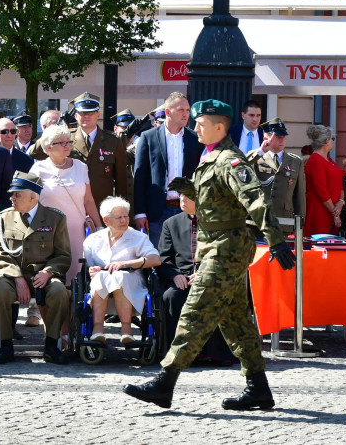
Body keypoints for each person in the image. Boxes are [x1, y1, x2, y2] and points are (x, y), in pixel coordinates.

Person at [125, 99, 295, 412]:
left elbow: (255, 200)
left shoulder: (230, 160)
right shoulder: (211, 156)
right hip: (217, 244)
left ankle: (165, 382)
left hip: (226, 248)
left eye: (201, 123)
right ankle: (258, 387)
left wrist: (275, 241)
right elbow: (220, 196)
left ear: (219, 127)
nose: (195, 127)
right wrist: (189, 188)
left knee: (194, 311)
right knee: (237, 321)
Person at [0, 172, 71, 364]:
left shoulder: (55, 218)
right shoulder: (4, 217)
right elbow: (0, 252)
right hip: (13, 275)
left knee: (60, 291)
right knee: (0, 291)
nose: (12, 198)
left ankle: (51, 345)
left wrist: (48, 272)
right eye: (12, 194)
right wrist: (17, 278)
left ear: (33, 197)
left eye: (17, 194)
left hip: (44, 275)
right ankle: (6, 345)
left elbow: (63, 255)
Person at [157, 191, 234, 365]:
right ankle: (178, 352)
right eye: (181, 197)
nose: (182, 200)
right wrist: (174, 275)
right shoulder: (171, 223)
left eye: (187, 197)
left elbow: (224, 253)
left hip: (210, 276)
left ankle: (215, 354)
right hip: (181, 278)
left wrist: (204, 272)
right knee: (171, 296)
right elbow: (164, 257)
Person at [83, 196, 159, 347]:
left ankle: (126, 329)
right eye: (119, 217)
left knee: (120, 276)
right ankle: (98, 328)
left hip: (132, 282)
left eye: (126, 216)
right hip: (102, 285)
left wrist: (127, 263)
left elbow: (155, 259)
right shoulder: (93, 239)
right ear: (106, 220)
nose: (124, 220)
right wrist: (90, 270)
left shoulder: (138, 237)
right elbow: (87, 267)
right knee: (100, 277)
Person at [29, 123, 99, 282]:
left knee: (77, 279)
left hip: (77, 233)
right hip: (49, 233)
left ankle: (75, 307)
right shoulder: (37, 169)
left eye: (68, 141)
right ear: (48, 147)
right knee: (54, 279)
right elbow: (31, 204)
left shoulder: (81, 167)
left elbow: (88, 200)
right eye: (62, 142)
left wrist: (99, 227)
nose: (67, 145)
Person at [133, 92, 202, 247]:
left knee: (186, 257)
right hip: (158, 210)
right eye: (181, 110)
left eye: (187, 110)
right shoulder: (148, 137)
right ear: (168, 112)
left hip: (187, 209)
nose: (186, 114)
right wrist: (140, 212)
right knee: (158, 259)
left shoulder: (195, 138)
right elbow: (139, 178)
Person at [246, 118, 306, 234]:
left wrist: (299, 223)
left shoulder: (295, 161)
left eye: (284, 136)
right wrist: (261, 151)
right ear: (266, 138)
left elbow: (300, 196)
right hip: (258, 223)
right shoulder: (256, 157)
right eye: (278, 136)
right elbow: (240, 165)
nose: (282, 140)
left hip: (284, 222)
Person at [304, 125, 344, 236]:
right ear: (327, 141)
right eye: (333, 139)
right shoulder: (315, 160)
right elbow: (320, 189)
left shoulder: (329, 160)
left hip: (331, 211)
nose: (333, 142)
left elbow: (339, 184)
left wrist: (341, 202)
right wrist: (335, 213)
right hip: (319, 211)